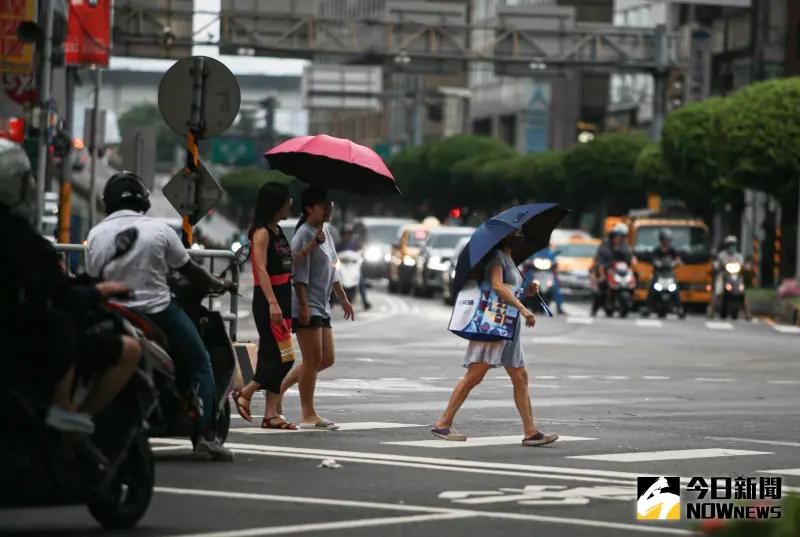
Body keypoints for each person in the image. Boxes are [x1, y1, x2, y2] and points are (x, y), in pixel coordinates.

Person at [86, 171, 234, 461]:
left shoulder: (96, 234)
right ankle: (205, 435)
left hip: (113, 312)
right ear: (143, 199)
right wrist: (219, 284)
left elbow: (93, 278)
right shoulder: (159, 230)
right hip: (158, 310)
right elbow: (191, 272)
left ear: (109, 201)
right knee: (201, 362)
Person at [0, 139, 141, 434]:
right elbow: (56, 292)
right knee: (118, 345)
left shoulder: (96, 232)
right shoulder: (19, 238)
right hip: (21, 341)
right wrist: (100, 290)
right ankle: (67, 412)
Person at [432, 231, 558, 447]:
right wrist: (523, 309)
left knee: (520, 376)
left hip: (507, 327)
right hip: (493, 326)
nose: (520, 236)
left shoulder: (511, 260)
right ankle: (443, 423)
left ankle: (530, 431)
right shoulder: (496, 257)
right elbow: (497, 287)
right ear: (506, 237)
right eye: (516, 233)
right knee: (475, 375)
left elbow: (508, 290)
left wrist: (527, 292)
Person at [230, 182, 324, 429]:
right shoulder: (262, 232)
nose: (290, 205)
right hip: (269, 299)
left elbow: (287, 261)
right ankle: (246, 392)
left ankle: (271, 414)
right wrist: (272, 302)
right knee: (284, 357)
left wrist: (311, 246)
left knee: (270, 356)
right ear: (275, 205)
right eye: (286, 201)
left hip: (282, 296)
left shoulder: (278, 231)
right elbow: (260, 269)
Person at [279, 187, 355, 430]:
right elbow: (298, 274)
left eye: (330, 204)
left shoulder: (326, 233)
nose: (329, 209)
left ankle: (279, 387)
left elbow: (332, 269)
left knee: (326, 358)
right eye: (325, 204)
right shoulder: (303, 234)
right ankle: (308, 413)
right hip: (307, 303)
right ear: (310, 208)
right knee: (312, 360)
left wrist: (342, 298)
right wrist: (302, 306)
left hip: (322, 304)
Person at [590, 223, 634, 316]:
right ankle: (595, 308)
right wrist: (602, 272)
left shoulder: (624, 246)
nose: (618, 239)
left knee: (632, 281)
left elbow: (628, 257)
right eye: (616, 237)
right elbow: (600, 260)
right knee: (601, 287)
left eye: (620, 237)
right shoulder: (605, 245)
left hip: (620, 271)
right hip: (606, 269)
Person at [708, 235, 752, 319]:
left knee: (743, 293)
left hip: (736, 277)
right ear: (727, 245)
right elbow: (716, 264)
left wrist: (746, 267)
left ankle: (748, 313)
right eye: (730, 244)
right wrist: (717, 266)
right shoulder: (722, 255)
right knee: (718, 292)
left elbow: (743, 266)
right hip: (724, 276)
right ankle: (711, 310)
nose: (732, 246)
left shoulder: (739, 256)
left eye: (734, 244)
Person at [645, 229, 685, 317]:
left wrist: (677, 262)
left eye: (668, 240)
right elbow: (652, 259)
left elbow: (678, 259)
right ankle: (648, 306)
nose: (666, 242)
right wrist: (655, 262)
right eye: (665, 240)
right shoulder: (656, 250)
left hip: (669, 274)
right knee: (652, 287)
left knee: (675, 289)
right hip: (658, 274)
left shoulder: (672, 250)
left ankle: (679, 308)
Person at [523, 243, 565, 315]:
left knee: (556, 287)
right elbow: (526, 264)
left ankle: (559, 307)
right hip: (534, 274)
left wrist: (556, 277)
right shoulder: (533, 253)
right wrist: (530, 263)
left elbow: (555, 266)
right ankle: (521, 303)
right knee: (524, 286)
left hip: (547, 274)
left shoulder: (551, 253)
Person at [336, 227, 372, 310]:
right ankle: (330, 300)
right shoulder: (338, 245)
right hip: (342, 268)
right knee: (332, 279)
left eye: (349, 235)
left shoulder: (356, 245)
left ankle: (365, 301)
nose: (348, 236)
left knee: (361, 281)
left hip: (353, 268)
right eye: (346, 234)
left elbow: (361, 254)